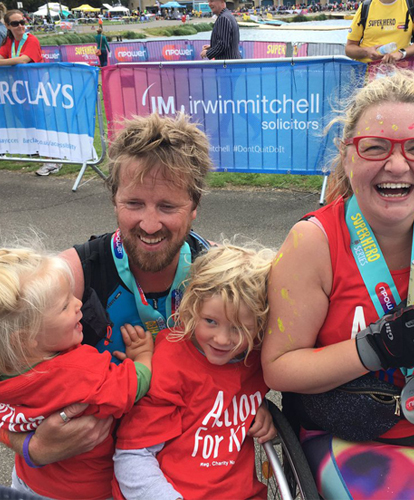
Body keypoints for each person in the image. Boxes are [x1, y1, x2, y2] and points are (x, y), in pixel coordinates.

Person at [261, 69, 414, 500]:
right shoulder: (312, 243)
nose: (396, 164)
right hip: (353, 438)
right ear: (347, 155)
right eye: (374, 148)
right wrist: (372, 350)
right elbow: (279, 367)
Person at [0, 113, 214, 471]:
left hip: (186, 466)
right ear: (114, 199)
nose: (148, 225)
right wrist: (29, 447)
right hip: (85, 479)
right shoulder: (71, 275)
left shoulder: (218, 273)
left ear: (194, 208)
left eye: (167, 206)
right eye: (133, 204)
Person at [113, 243, 276, 499]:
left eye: (238, 328)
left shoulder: (257, 358)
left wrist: (263, 413)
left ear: (259, 326)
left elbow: (225, 394)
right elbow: (133, 454)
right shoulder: (172, 364)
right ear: (191, 308)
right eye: (210, 321)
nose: (222, 340)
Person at [0, 246, 154, 499]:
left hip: (27, 480)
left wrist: (31, 448)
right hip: (86, 490)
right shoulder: (79, 372)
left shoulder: (8, 370)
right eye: (63, 306)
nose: (78, 302)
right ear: (25, 340)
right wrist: (142, 356)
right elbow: (132, 386)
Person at [0, 10, 62, 176]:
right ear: (7, 26)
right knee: (28, 122)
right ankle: (40, 153)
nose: (20, 26)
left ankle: (53, 160)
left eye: (22, 21)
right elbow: (3, 56)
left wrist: (2, 62)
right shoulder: (8, 41)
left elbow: (23, 60)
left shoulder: (31, 39)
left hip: (36, 89)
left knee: (40, 123)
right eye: (15, 23)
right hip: (19, 91)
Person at [345, 0, 414, 63]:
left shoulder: (413, 4)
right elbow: (349, 49)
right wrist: (366, 52)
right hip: (367, 74)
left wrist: (401, 53)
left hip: (399, 74)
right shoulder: (366, 6)